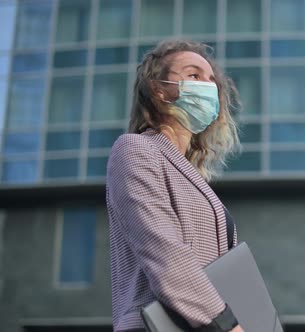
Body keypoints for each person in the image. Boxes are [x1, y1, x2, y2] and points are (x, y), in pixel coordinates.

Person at [106, 39, 244, 332]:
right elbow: (164, 251)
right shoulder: (135, 149)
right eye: (194, 75)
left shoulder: (190, 174)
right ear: (159, 90)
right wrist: (226, 324)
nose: (208, 86)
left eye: (211, 80)